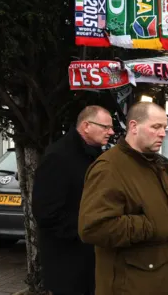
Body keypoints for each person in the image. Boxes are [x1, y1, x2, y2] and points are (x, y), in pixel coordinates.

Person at [78, 102, 168, 295]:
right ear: (133, 127)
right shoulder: (109, 168)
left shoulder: (152, 164)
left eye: (164, 127)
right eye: (156, 127)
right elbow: (93, 227)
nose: (163, 133)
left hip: (164, 282)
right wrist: (149, 225)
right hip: (131, 286)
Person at [32, 105, 114, 295]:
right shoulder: (58, 157)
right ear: (86, 126)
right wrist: (88, 230)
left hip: (90, 257)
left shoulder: (95, 155)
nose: (111, 132)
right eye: (105, 127)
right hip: (68, 261)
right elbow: (46, 213)